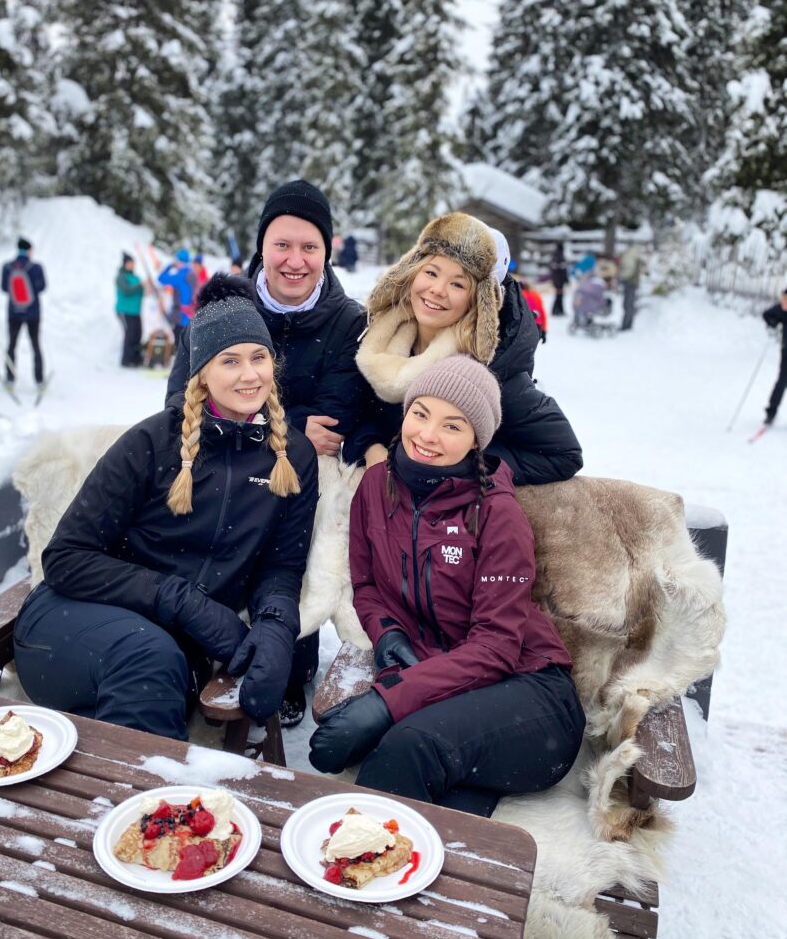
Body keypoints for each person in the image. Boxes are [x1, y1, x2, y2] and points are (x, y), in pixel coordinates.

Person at [13, 276, 319, 740]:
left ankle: (132, 802)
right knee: (147, 657)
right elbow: (65, 558)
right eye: (229, 361)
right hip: (71, 620)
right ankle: (147, 803)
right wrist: (182, 601)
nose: (249, 374)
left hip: (174, 651)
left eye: (259, 358)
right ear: (201, 373)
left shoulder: (292, 457)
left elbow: (282, 564)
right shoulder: (151, 443)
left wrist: (276, 628)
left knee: (154, 667)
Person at [309, 356, 585, 817]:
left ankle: (364, 868)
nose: (428, 435)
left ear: (477, 439)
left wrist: (386, 702)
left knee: (407, 750)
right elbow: (367, 585)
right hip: (439, 682)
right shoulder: (377, 486)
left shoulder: (497, 514)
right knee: (418, 777)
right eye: (421, 414)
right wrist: (389, 635)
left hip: (528, 694)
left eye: (452, 426)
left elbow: (496, 647)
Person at [168, 179, 371, 727]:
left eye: (310, 247)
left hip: (296, 472)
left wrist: (255, 410)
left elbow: (335, 421)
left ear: (327, 251)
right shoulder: (223, 307)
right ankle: (199, 647)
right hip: (217, 456)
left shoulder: (346, 321)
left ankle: (292, 660)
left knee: (293, 531)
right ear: (262, 246)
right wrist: (291, 419)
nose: (295, 260)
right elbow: (178, 398)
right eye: (282, 244)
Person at [348, 212, 582, 485]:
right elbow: (360, 414)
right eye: (431, 273)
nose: (437, 289)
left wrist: (459, 464)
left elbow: (563, 454)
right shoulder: (381, 339)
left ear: (476, 301)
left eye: (457, 284)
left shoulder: (488, 371)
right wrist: (370, 446)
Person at [0, 237, 46, 390]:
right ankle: (39, 379)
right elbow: (42, 287)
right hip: (33, 312)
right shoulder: (36, 267)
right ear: (29, 250)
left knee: (12, 345)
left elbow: (4, 288)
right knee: (35, 344)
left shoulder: (7, 267)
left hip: (14, 312)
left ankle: (9, 377)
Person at [159, 249, 197, 343]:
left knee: (180, 349)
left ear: (178, 261)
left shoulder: (181, 276)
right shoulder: (192, 274)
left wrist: (169, 266)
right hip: (190, 317)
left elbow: (161, 278)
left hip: (180, 318)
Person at [763, 287, 787, 426]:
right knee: (782, 381)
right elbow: (767, 315)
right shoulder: (781, 310)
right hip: (786, 351)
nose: (784, 303)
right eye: (783, 299)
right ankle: (771, 412)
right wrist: (774, 325)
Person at [116, 253, 145, 367]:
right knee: (130, 334)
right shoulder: (121, 277)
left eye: (133, 263)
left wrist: (144, 288)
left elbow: (140, 292)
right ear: (124, 264)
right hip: (124, 311)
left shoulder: (136, 277)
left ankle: (135, 359)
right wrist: (139, 285)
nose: (132, 265)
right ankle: (126, 360)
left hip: (135, 311)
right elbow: (126, 290)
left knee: (138, 333)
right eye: (129, 263)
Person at [618, 243, 642, 331]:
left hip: (629, 282)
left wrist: (622, 277)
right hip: (633, 282)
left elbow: (629, 268)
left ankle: (625, 326)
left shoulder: (630, 254)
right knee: (630, 304)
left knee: (627, 304)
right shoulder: (635, 253)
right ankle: (628, 325)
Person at [548, 242, 569, 316]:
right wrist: (566, 279)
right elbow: (563, 270)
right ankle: (557, 310)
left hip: (556, 280)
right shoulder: (560, 256)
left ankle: (558, 310)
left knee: (558, 296)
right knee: (559, 296)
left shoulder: (554, 256)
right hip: (560, 280)